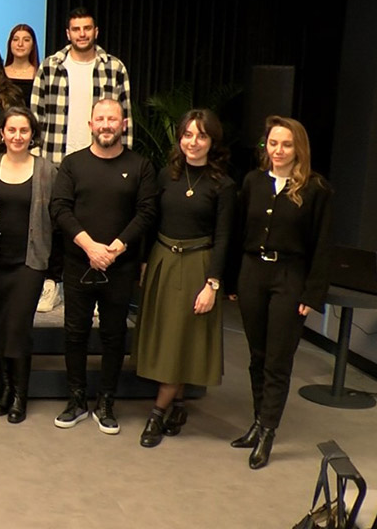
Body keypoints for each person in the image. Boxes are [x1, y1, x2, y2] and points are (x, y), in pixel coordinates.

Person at [50, 98, 158, 434]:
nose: (107, 124)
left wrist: (116, 247)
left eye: (113, 119)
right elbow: (59, 208)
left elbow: (147, 212)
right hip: (79, 261)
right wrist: (90, 246)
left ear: (123, 124)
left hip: (119, 265)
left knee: (113, 335)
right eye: (101, 119)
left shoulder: (140, 166)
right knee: (75, 334)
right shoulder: (72, 164)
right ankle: (77, 399)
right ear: (91, 125)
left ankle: (106, 401)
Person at [231, 116, 332, 469]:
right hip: (252, 273)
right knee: (257, 355)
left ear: (298, 149)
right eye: (272, 143)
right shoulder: (253, 182)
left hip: (290, 277)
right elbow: (238, 231)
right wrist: (231, 281)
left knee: (277, 359)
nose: (278, 150)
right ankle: (258, 422)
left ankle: (269, 432)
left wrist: (312, 294)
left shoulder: (315, 189)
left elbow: (322, 247)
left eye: (286, 144)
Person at [134, 109, 235, 448]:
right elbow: (150, 220)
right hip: (163, 260)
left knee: (181, 338)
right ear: (180, 138)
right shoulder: (166, 176)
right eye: (188, 135)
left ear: (212, 141)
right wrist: (146, 261)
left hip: (198, 265)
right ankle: (177, 405)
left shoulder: (224, 185)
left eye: (201, 136)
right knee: (168, 338)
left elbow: (224, 238)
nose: (194, 142)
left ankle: (157, 414)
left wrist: (213, 283)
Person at [32, 8, 131, 314]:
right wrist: (36, 159)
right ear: (68, 33)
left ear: (96, 31)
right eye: (76, 29)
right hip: (55, 157)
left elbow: (125, 115)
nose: (82, 34)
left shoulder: (113, 67)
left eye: (87, 28)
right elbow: (37, 115)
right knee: (54, 223)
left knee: (97, 218)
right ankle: (53, 283)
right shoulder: (50, 66)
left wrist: (123, 158)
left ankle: (97, 282)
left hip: (100, 157)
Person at [0, 108, 56, 423]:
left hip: (29, 263)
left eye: (24, 130)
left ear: (32, 135)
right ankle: (4, 388)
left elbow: (56, 220)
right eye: (12, 130)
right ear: (2, 133)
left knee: (18, 329)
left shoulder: (48, 171)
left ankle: (21, 395)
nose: (18, 136)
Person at [4, 24, 40, 103]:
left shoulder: (40, 74)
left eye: (26, 40)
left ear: (33, 45)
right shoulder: (0, 73)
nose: (20, 44)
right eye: (15, 39)